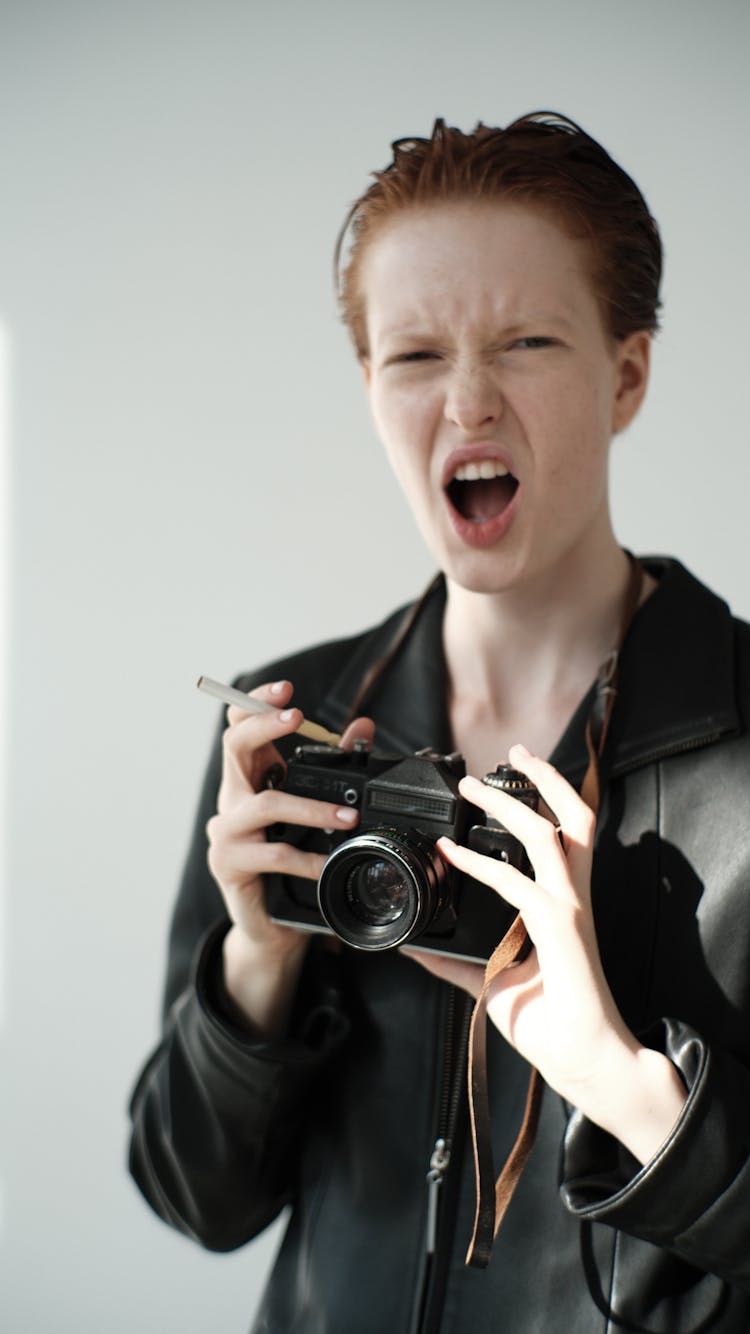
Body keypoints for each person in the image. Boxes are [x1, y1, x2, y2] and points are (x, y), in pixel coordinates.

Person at [128, 114, 750, 1332]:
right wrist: (254, 968)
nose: (468, 399)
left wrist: (629, 1088)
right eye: (414, 354)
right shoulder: (289, 729)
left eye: (525, 340)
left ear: (627, 373)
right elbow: (195, 1198)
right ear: (369, 386)